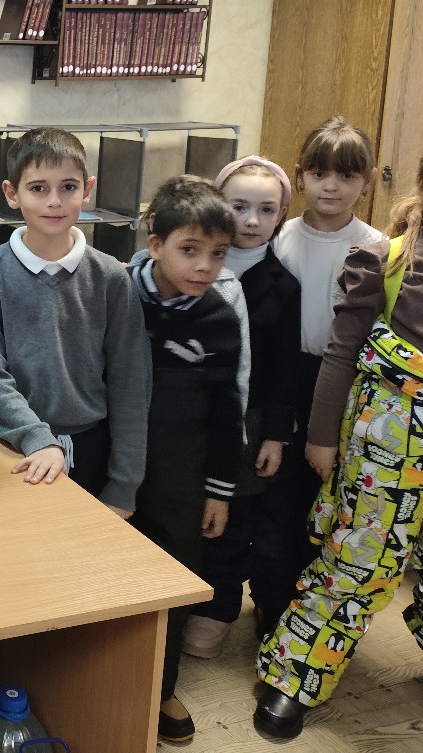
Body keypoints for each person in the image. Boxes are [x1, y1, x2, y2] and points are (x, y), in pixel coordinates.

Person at [255, 123, 423, 740]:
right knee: (355, 560)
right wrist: (321, 438)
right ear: (422, 185)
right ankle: (296, 672)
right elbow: (341, 354)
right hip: (386, 454)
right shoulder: (382, 260)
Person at [0, 128, 150, 519]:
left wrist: (124, 484)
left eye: (68, 187)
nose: (54, 201)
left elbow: (131, 382)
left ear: (87, 189)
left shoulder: (111, 276)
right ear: (12, 193)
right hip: (12, 447)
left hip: (94, 449)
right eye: (38, 188)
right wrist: (38, 438)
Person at [125, 175, 244, 743]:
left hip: (181, 474)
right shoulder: (117, 294)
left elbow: (227, 410)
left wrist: (219, 490)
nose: (204, 266)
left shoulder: (219, 318)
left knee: (173, 578)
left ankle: (162, 686)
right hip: (116, 463)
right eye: (189, 250)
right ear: (156, 244)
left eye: (218, 254)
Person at [265, 117, 381, 633]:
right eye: (319, 174)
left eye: (347, 176)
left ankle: (313, 610)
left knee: (327, 499)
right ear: (300, 176)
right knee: (278, 495)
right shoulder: (279, 238)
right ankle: (272, 603)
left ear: (368, 181)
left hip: (343, 383)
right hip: (282, 377)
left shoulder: (377, 247)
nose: (331, 186)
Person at [181, 156, 300, 660]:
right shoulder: (190, 266)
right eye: (239, 207)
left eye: (266, 210)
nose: (251, 221)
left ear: (281, 214)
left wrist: (275, 434)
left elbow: (283, 371)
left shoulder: (283, 285)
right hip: (187, 417)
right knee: (186, 511)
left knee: (232, 521)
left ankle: (219, 607)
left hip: (247, 424)